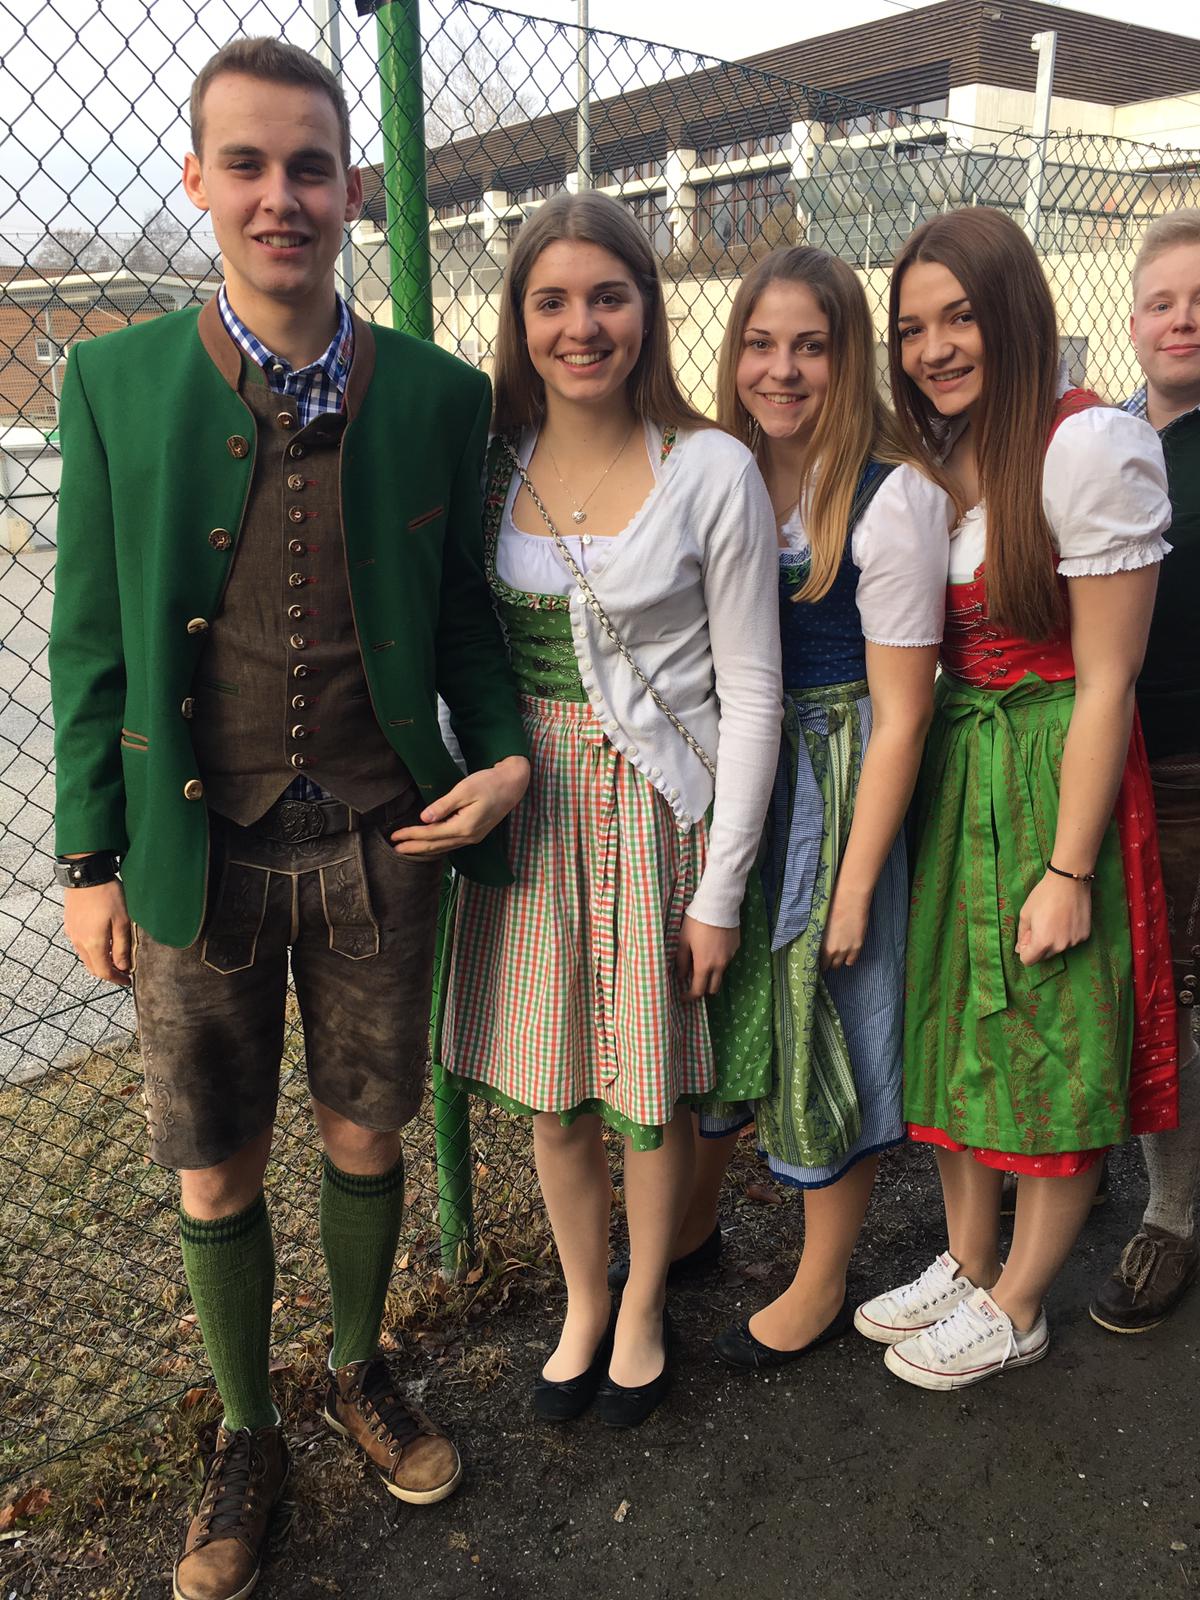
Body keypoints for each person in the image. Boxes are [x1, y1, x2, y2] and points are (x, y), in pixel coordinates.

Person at [48, 39, 529, 1600]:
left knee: (366, 1128)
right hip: (201, 849)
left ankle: (359, 1366)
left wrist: (505, 756)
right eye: (246, 164)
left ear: (351, 190)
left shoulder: (442, 397)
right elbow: (87, 641)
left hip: (385, 840)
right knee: (218, 1162)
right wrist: (88, 856)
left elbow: (466, 624)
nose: (280, 196)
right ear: (198, 180)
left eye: (309, 167)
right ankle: (249, 1430)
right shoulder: (115, 383)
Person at [437, 192, 782, 1427]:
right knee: (554, 1088)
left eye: (608, 297)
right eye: (552, 302)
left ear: (648, 309)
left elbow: (752, 692)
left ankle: (643, 1303)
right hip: (531, 817)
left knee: (649, 1087)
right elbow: (464, 650)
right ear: (519, 319)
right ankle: (583, 1300)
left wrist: (721, 890)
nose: (581, 326)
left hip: (653, 818)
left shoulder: (710, 468)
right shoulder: (491, 465)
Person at [854, 206, 1179, 1390]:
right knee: (956, 1022)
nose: (933, 348)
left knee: (1051, 1034)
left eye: (960, 318)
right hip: (964, 768)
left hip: (1052, 772)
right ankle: (970, 1254)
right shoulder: (942, 458)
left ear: (1016, 314)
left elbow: (1108, 682)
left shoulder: (1085, 447)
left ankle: (1022, 1300)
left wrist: (1070, 867)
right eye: (912, 328)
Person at [669, 247, 946, 1368]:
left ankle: (824, 1275)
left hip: (839, 778)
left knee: (836, 1005)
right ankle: (693, 1223)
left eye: (811, 347)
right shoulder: (718, 468)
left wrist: (858, 882)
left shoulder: (890, 495)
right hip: (739, 771)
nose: (781, 371)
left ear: (850, 358)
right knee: (725, 1007)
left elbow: (904, 714)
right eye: (760, 344)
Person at [1090, 210, 1200, 1334]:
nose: (1184, 318)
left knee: (1185, 990)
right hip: (1112, 757)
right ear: (1131, 321)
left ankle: (1172, 1210)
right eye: (1163, 301)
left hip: (1191, 761)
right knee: (1128, 981)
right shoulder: (1104, 440)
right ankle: (1094, 1166)